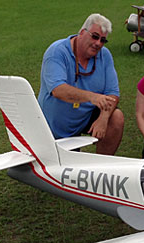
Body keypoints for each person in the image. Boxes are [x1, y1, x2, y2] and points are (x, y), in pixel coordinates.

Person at [38, 13, 124, 155]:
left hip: (83, 119)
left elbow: (113, 93)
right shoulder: (57, 52)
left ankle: (100, 169)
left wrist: (103, 118)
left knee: (116, 117)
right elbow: (58, 90)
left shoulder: (105, 55)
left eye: (103, 40)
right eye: (95, 36)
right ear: (82, 32)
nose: (98, 43)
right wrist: (93, 97)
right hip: (50, 126)